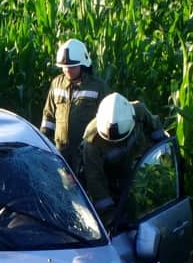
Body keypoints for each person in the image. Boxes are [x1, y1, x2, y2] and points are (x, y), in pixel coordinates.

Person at [79, 92, 161, 230]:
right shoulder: (91, 143)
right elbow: (96, 183)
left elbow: (156, 130)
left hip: (138, 175)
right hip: (111, 183)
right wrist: (111, 219)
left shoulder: (139, 112)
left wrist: (165, 151)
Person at [39, 38, 103, 172]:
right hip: (61, 153)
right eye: (64, 67)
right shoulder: (56, 84)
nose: (68, 70)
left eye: (72, 66)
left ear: (83, 64)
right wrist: (44, 143)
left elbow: (105, 119)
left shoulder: (97, 87)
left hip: (86, 154)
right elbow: (48, 116)